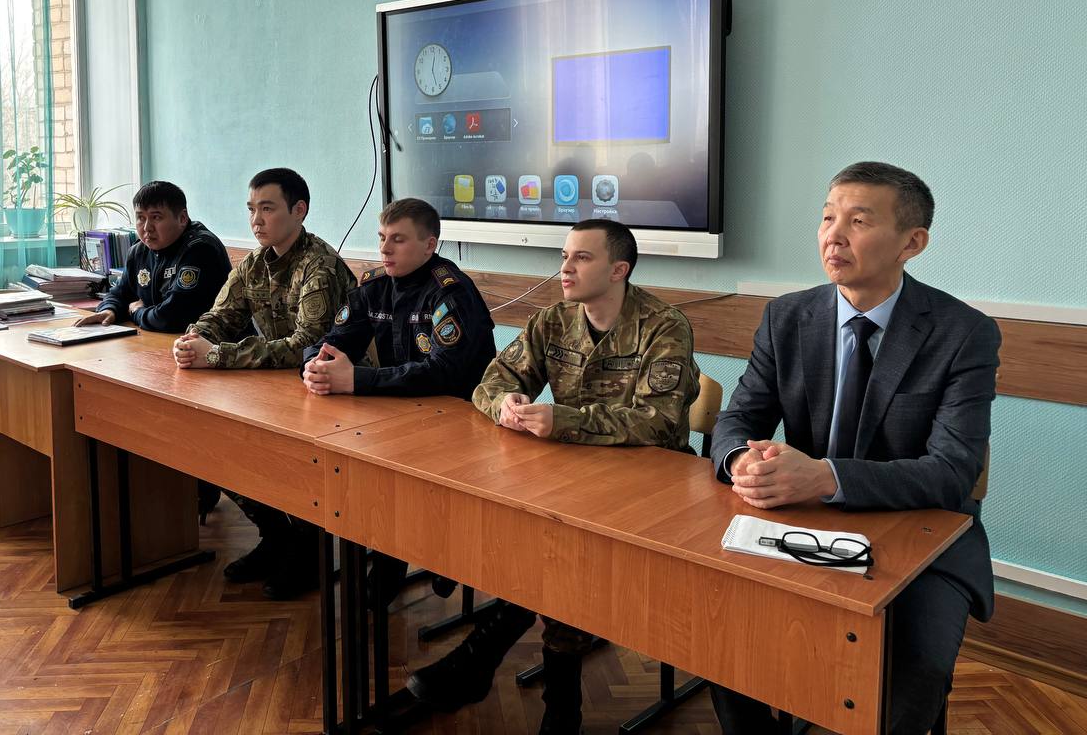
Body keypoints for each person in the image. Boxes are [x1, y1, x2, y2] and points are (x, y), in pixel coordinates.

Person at [708, 162, 1000, 735]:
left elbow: (951, 472)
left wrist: (825, 477)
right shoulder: (787, 316)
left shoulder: (963, 332)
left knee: (912, 673)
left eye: (858, 221)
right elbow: (737, 418)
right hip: (801, 525)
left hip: (921, 537)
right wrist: (741, 459)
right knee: (724, 640)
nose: (832, 235)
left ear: (911, 243)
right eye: (827, 217)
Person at [404, 219, 699, 735]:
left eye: (581, 258)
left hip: (649, 491)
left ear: (618, 270)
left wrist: (565, 421)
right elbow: (492, 380)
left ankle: (516, 682)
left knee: (557, 553)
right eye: (565, 256)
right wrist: (507, 405)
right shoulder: (553, 320)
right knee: (544, 545)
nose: (565, 268)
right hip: (573, 479)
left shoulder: (664, 325)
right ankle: (547, 701)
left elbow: (660, 423)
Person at [169, 167, 357, 600]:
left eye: (267, 209)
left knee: (290, 464)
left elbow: (308, 346)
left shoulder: (319, 266)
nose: (256, 220)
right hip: (281, 389)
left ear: (299, 210)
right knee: (219, 445)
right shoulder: (255, 263)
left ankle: (309, 551)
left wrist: (217, 356)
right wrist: (194, 338)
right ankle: (277, 538)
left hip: (336, 395)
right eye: (252, 209)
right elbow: (222, 315)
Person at [302, 197, 496, 605]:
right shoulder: (374, 286)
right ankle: (400, 559)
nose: (385, 249)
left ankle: (443, 554)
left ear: (430, 245)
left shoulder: (450, 292)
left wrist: (357, 379)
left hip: (459, 426)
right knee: (365, 472)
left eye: (398, 240)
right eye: (382, 238)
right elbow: (330, 343)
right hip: (399, 415)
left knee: (400, 481)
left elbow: (445, 373)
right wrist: (317, 366)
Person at [77, 180, 230, 334]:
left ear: (182, 218)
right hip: (161, 341)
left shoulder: (200, 249)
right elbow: (120, 293)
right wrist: (110, 310)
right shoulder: (138, 251)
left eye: (156, 217)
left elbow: (174, 316)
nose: (147, 228)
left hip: (211, 346)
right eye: (141, 218)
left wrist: (138, 313)